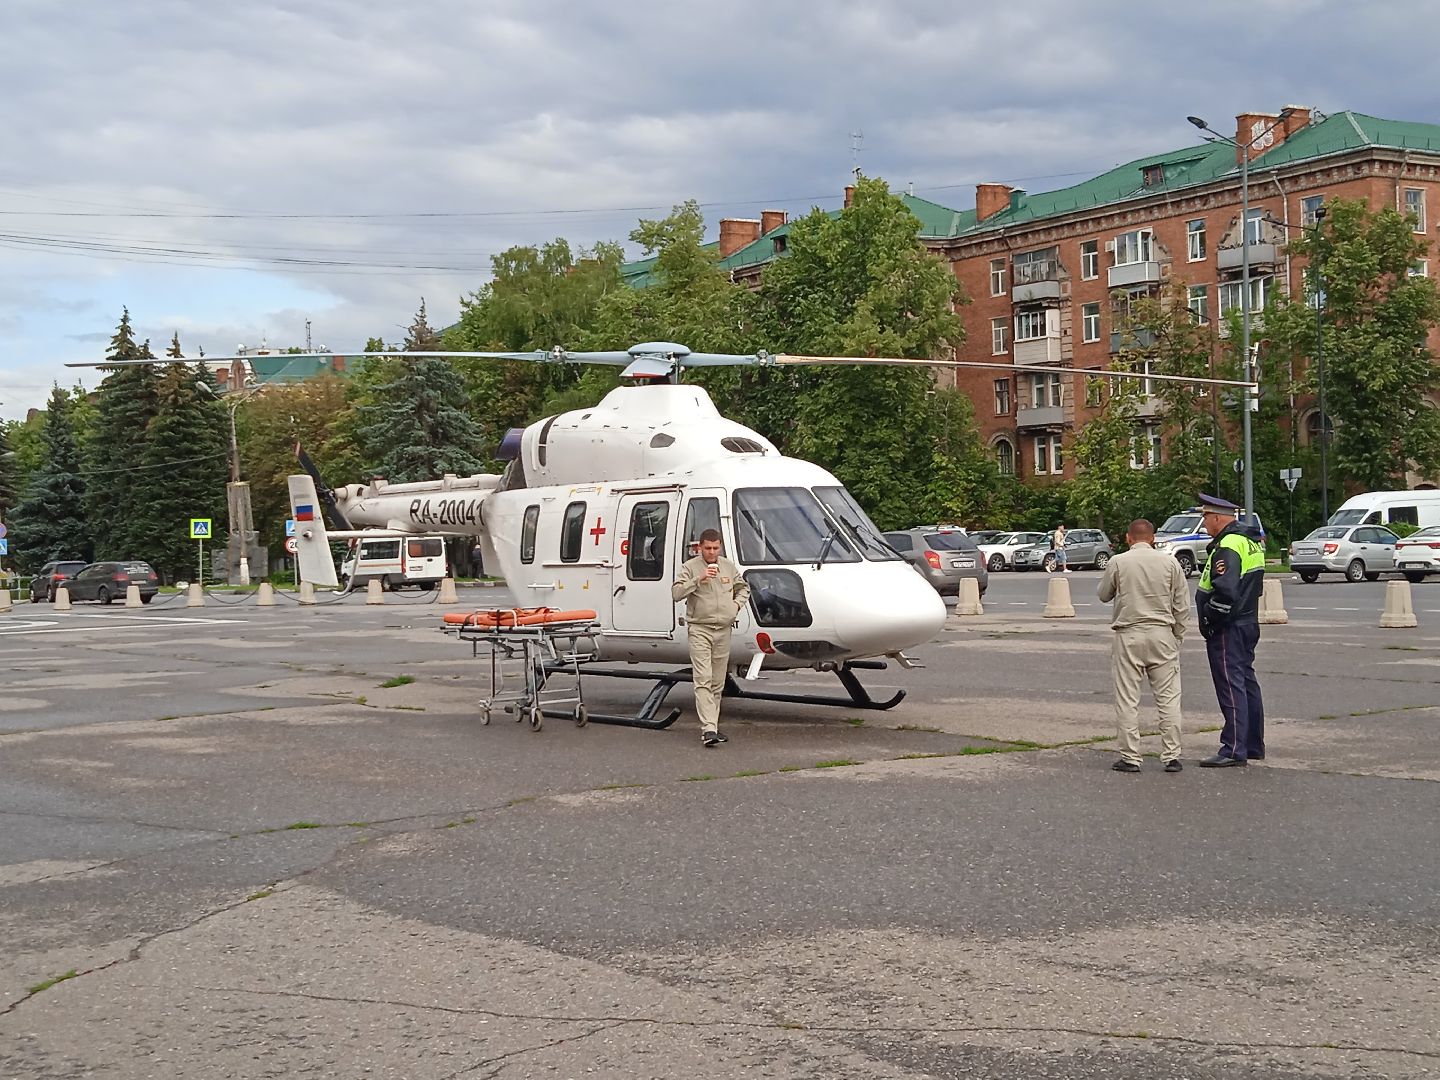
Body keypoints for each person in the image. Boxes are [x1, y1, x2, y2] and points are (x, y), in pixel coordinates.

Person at [1096, 519, 1189, 773]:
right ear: (1153, 538)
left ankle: (1130, 757)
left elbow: (1104, 594)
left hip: (1128, 634)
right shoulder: (1170, 563)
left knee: (1127, 698)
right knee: (1169, 698)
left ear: (1128, 538)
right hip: (1162, 634)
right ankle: (1172, 755)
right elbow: (1181, 604)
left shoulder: (1118, 562)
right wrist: (1177, 635)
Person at [1194, 494, 1267, 767]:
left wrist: (1210, 620)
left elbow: (1225, 591)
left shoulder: (1228, 544)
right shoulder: (1250, 541)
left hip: (1229, 627)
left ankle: (1233, 747)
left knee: (1230, 684)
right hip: (1248, 621)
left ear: (1216, 517)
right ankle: (1252, 744)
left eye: (1205, 517)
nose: (1204, 523)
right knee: (1247, 683)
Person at [671, 529, 750, 748]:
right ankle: (709, 729)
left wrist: (736, 605)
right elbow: (676, 593)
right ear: (700, 547)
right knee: (703, 678)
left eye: (716, 548)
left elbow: (744, 588)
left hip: (724, 629)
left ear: (720, 547)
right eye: (707, 548)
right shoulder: (690, 567)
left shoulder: (727, 566)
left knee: (718, 681)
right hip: (700, 628)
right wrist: (699, 579)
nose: (712, 552)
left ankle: (711, 727)